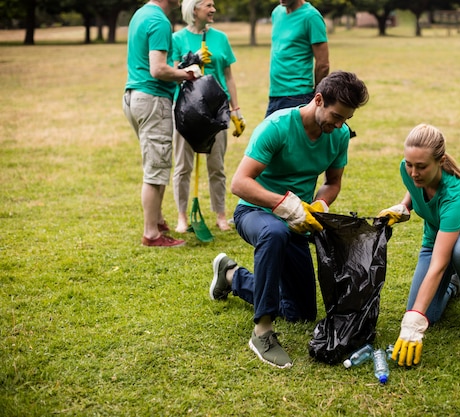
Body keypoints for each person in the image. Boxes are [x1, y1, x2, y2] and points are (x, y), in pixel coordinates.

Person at [209, 71, 369, 368]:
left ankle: (231, 276)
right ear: (318, 99)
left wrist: (319, 203)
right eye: (335, 116)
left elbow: (333, 181)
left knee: (300, 312)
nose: (338, 126)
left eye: (345, 119)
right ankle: (262, 331)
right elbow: (240, 183)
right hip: (257, 213)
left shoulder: (339, 135)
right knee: (274, 233)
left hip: (298, 222)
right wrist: (286, 205)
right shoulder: (277, 127)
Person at [378, 123, 460, 367]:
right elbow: (414, 187)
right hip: (436, 242)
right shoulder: (409, 170)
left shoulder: (456, 193)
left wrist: (412, 325)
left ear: (440, 161)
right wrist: (404, 206)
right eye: (409, 164)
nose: (413, 172)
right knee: (426, 314)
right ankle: (456, 284)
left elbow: (439, 263)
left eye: (421, 166)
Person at [123, 0, 202, 247]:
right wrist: (187, 74)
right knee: (156, 169)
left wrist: (178, 67)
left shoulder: (141, 14)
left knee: (154, 161)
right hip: (153, 99)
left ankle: (156, 220)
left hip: (134, 96)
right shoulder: (159, 21)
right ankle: (152, 234)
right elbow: (157, 69)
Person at [171, 0, 244, 233]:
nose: (213, 9)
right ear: (194, 9)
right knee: (183, 166)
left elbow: (228, 77)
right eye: (208, 5)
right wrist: (193, 60)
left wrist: (235, 109)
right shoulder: (177, 39)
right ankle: (182, 217)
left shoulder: (221, 38)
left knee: (217, 166)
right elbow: (174, 73)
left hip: (216, 108)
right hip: (186, 109)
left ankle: (221, 215)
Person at [265, 0, 330, 117]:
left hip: (298, 96)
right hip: (275, 93)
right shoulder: (277, 12)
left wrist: (315, 97)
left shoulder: (312, 17)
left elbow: (323, 64)